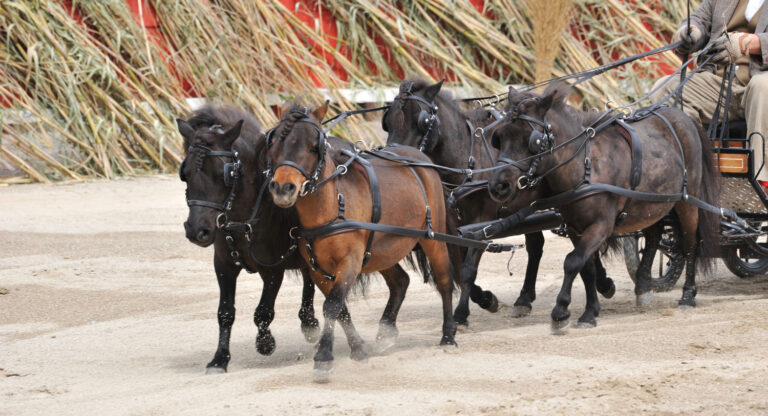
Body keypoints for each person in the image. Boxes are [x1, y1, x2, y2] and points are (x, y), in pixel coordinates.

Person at [651, 0, 768, 185]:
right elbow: (699, 19)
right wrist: (690, 32)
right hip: (718, 82)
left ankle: (761, 181)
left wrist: (749, 43)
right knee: (666, 88)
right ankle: (679, 175)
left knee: (763, 87)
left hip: (760, 82)